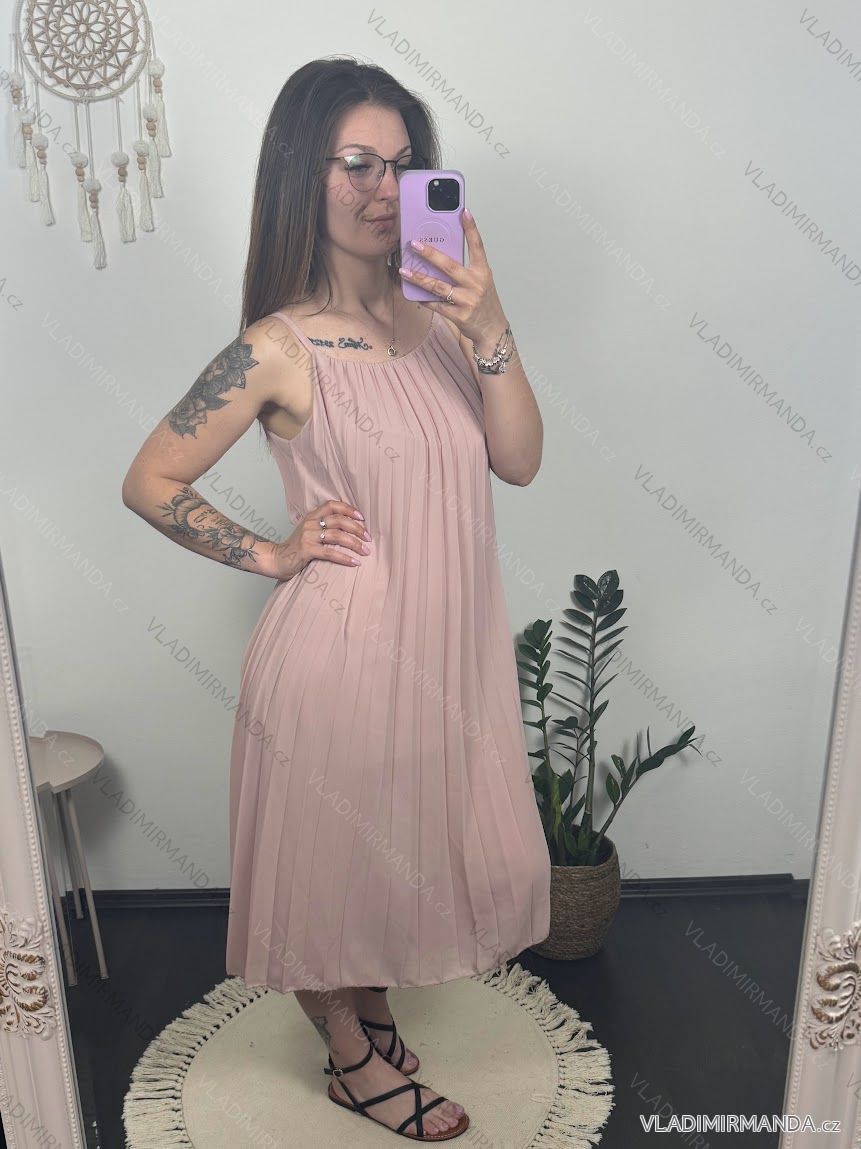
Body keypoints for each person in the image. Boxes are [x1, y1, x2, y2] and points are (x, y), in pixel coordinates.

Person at [122, 55, 550, 1142]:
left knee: (397, 851)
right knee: (334, 864)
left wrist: (490, 319)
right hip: (339, 656)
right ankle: (350, 1057)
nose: (381, 189)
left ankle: (371, 1008)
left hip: (445, 657)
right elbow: (150, 480)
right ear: (299, 176)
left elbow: (519, 461)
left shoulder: (445, 322)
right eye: (355, 163)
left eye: (402, 167)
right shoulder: (277, 347)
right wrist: (273, 554)